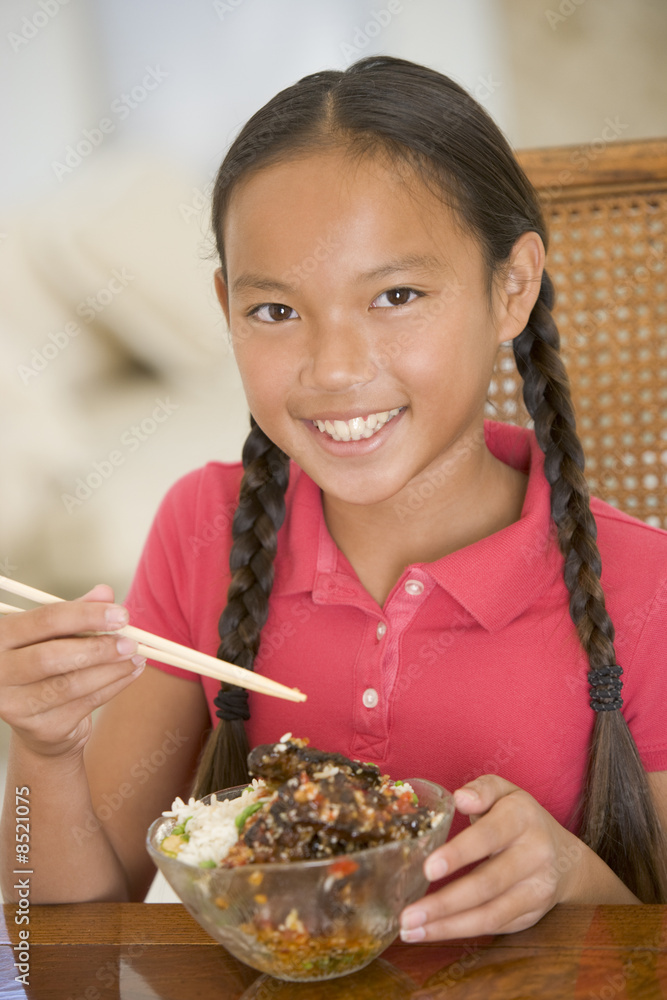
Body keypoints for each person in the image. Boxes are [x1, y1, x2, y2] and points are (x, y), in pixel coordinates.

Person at [1, 56, 666, 942]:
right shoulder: (206, 529)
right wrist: (42, 754)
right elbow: (58, 939)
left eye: (396, 295)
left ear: (510, 287)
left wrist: (574, 881)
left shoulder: (643, 588)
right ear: (224, 305)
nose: (336, 369)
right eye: (276, 312)